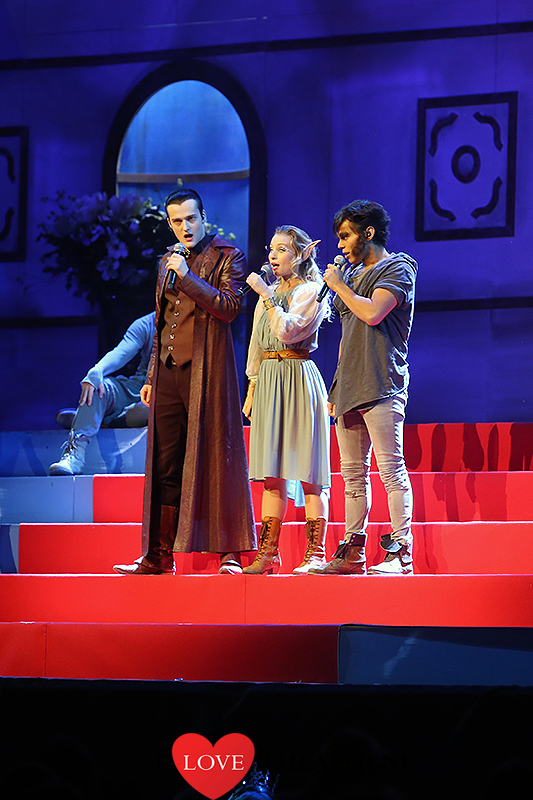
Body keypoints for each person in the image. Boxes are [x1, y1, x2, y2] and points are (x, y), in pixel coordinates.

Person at [113, 188, 255, 576]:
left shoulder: (227, 256)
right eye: (177, 221)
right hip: (168, 373)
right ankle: (159, 554)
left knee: (217, 457)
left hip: (206, 371)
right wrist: (151, 375)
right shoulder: (166, 262)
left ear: (203, 217)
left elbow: (229, 307)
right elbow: (162, 322)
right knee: (164, 462)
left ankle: (228, 551)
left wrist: (189, 277)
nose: (185, 227)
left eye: (191, 218)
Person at [310, 200, 417, 575]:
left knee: (390, 470)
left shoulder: (398, 267)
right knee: (352, 477)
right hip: (349, 387)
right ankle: (353, 552)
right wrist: (336, 387)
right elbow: (348, 336)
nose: (340, 245)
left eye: (345, 236)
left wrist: (339, 286)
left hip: (382, 383)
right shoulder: (351, 275)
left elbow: (372, 313)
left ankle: (401, 552)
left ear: (368, 233)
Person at [241, 225, 331, 575]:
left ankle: (315, 553)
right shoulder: (270, 293)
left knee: (309, 471)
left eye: (282, 249)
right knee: (271, 474)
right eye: (271, 248)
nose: (273, 255)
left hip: (297, 377)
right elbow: (257, 345)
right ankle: (268, 553)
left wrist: (266, 296)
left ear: (301, 255)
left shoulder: (311, 290)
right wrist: (252, 388)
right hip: (269, 381)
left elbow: (287, 331)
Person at [48, 312, 156, 476]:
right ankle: (75, 454)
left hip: (160, 396)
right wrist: (97, 371)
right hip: (136, 388)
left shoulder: (190, 323)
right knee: (99, 387)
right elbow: (122, 352)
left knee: (155, 407)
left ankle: (91, 417)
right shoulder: (147, 323)